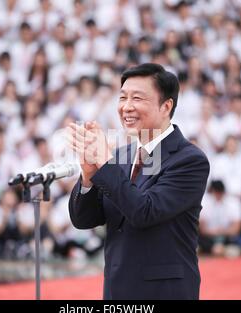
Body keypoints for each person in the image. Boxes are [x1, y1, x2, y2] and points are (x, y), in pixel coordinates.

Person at [67, 63, 210, 300]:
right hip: (117, 290)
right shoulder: (121, 156)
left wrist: (104, 161)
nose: (126, 107)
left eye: (137, 98)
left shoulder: (190, 160)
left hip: (164, 292)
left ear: (166, 106)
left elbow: (144, 211)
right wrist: (88, 176)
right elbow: (85, 219)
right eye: (122, 97)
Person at [199, 180, 241, 257]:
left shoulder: (233, 203)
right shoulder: (204, 202)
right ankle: (216, 250)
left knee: (236, 246)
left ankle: (220, 249)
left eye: (219, 192)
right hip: (209, 238)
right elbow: (202, 229)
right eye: (215, 192)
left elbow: (236, 228)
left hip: (226, 238)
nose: (217, 195)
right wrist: (214, 232)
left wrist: (223, 231)